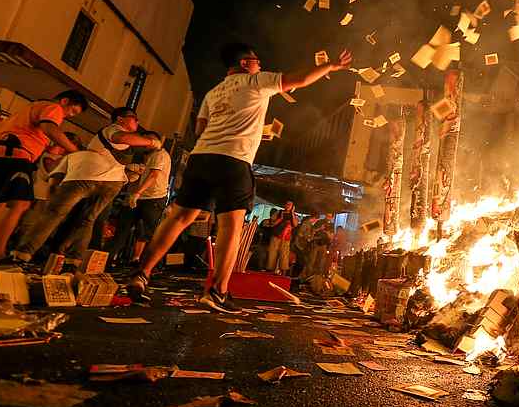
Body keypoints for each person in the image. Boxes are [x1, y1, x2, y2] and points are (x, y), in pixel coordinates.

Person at [125, 42, 352, 312]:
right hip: (233, 161)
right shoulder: (256, 81)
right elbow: (299, 79)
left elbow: (200, 129)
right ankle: (217, 291)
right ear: (245, 63)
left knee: (178, 218)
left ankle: (141, 273)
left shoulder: (213, 93)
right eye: (256, 60)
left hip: (201, 157)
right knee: (230, 228)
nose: (260, 64)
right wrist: (331, 66)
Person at [12, 107, 161, 265]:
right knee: (85, 220)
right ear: (120, 119)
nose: (137, 122)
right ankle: (71, 258)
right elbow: (121, 138)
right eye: (134, 118)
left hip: (94, 179)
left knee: (60, 214)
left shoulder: (126, 140)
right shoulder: (113, 129)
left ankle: (27, 252)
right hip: (98, 181)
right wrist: (152, 142)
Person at [0, 91, 86, 267]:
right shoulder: (53, 107)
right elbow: (49, 128)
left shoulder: (31, 108)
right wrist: (75, 151)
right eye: (73, 111)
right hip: (14, 155)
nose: (69, 115)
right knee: (17, 204)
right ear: (65, 101)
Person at [107, 132, 171, 266]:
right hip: (141, 196)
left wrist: (137, 192)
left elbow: (154, 175)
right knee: (124, 227)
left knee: (144, 231)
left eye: (148, 141)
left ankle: (136, 260)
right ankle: (111, 258)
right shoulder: (150, 156)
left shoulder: (160, 155)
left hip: (154, 198)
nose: (145, 144)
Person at [265, 201, 297, 274]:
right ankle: (270, 270)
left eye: (290, 205)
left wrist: (292, 213)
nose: (288, 206)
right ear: (285, 205)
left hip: (286, 238)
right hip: (276, 236)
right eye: (287, 204)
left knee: (284, 254)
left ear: (293, 207)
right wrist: (281, 218)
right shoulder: (279, 212)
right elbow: (272, 223)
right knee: (272, 253)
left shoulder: (293, 215)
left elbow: (295, 224)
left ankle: (283, 271)